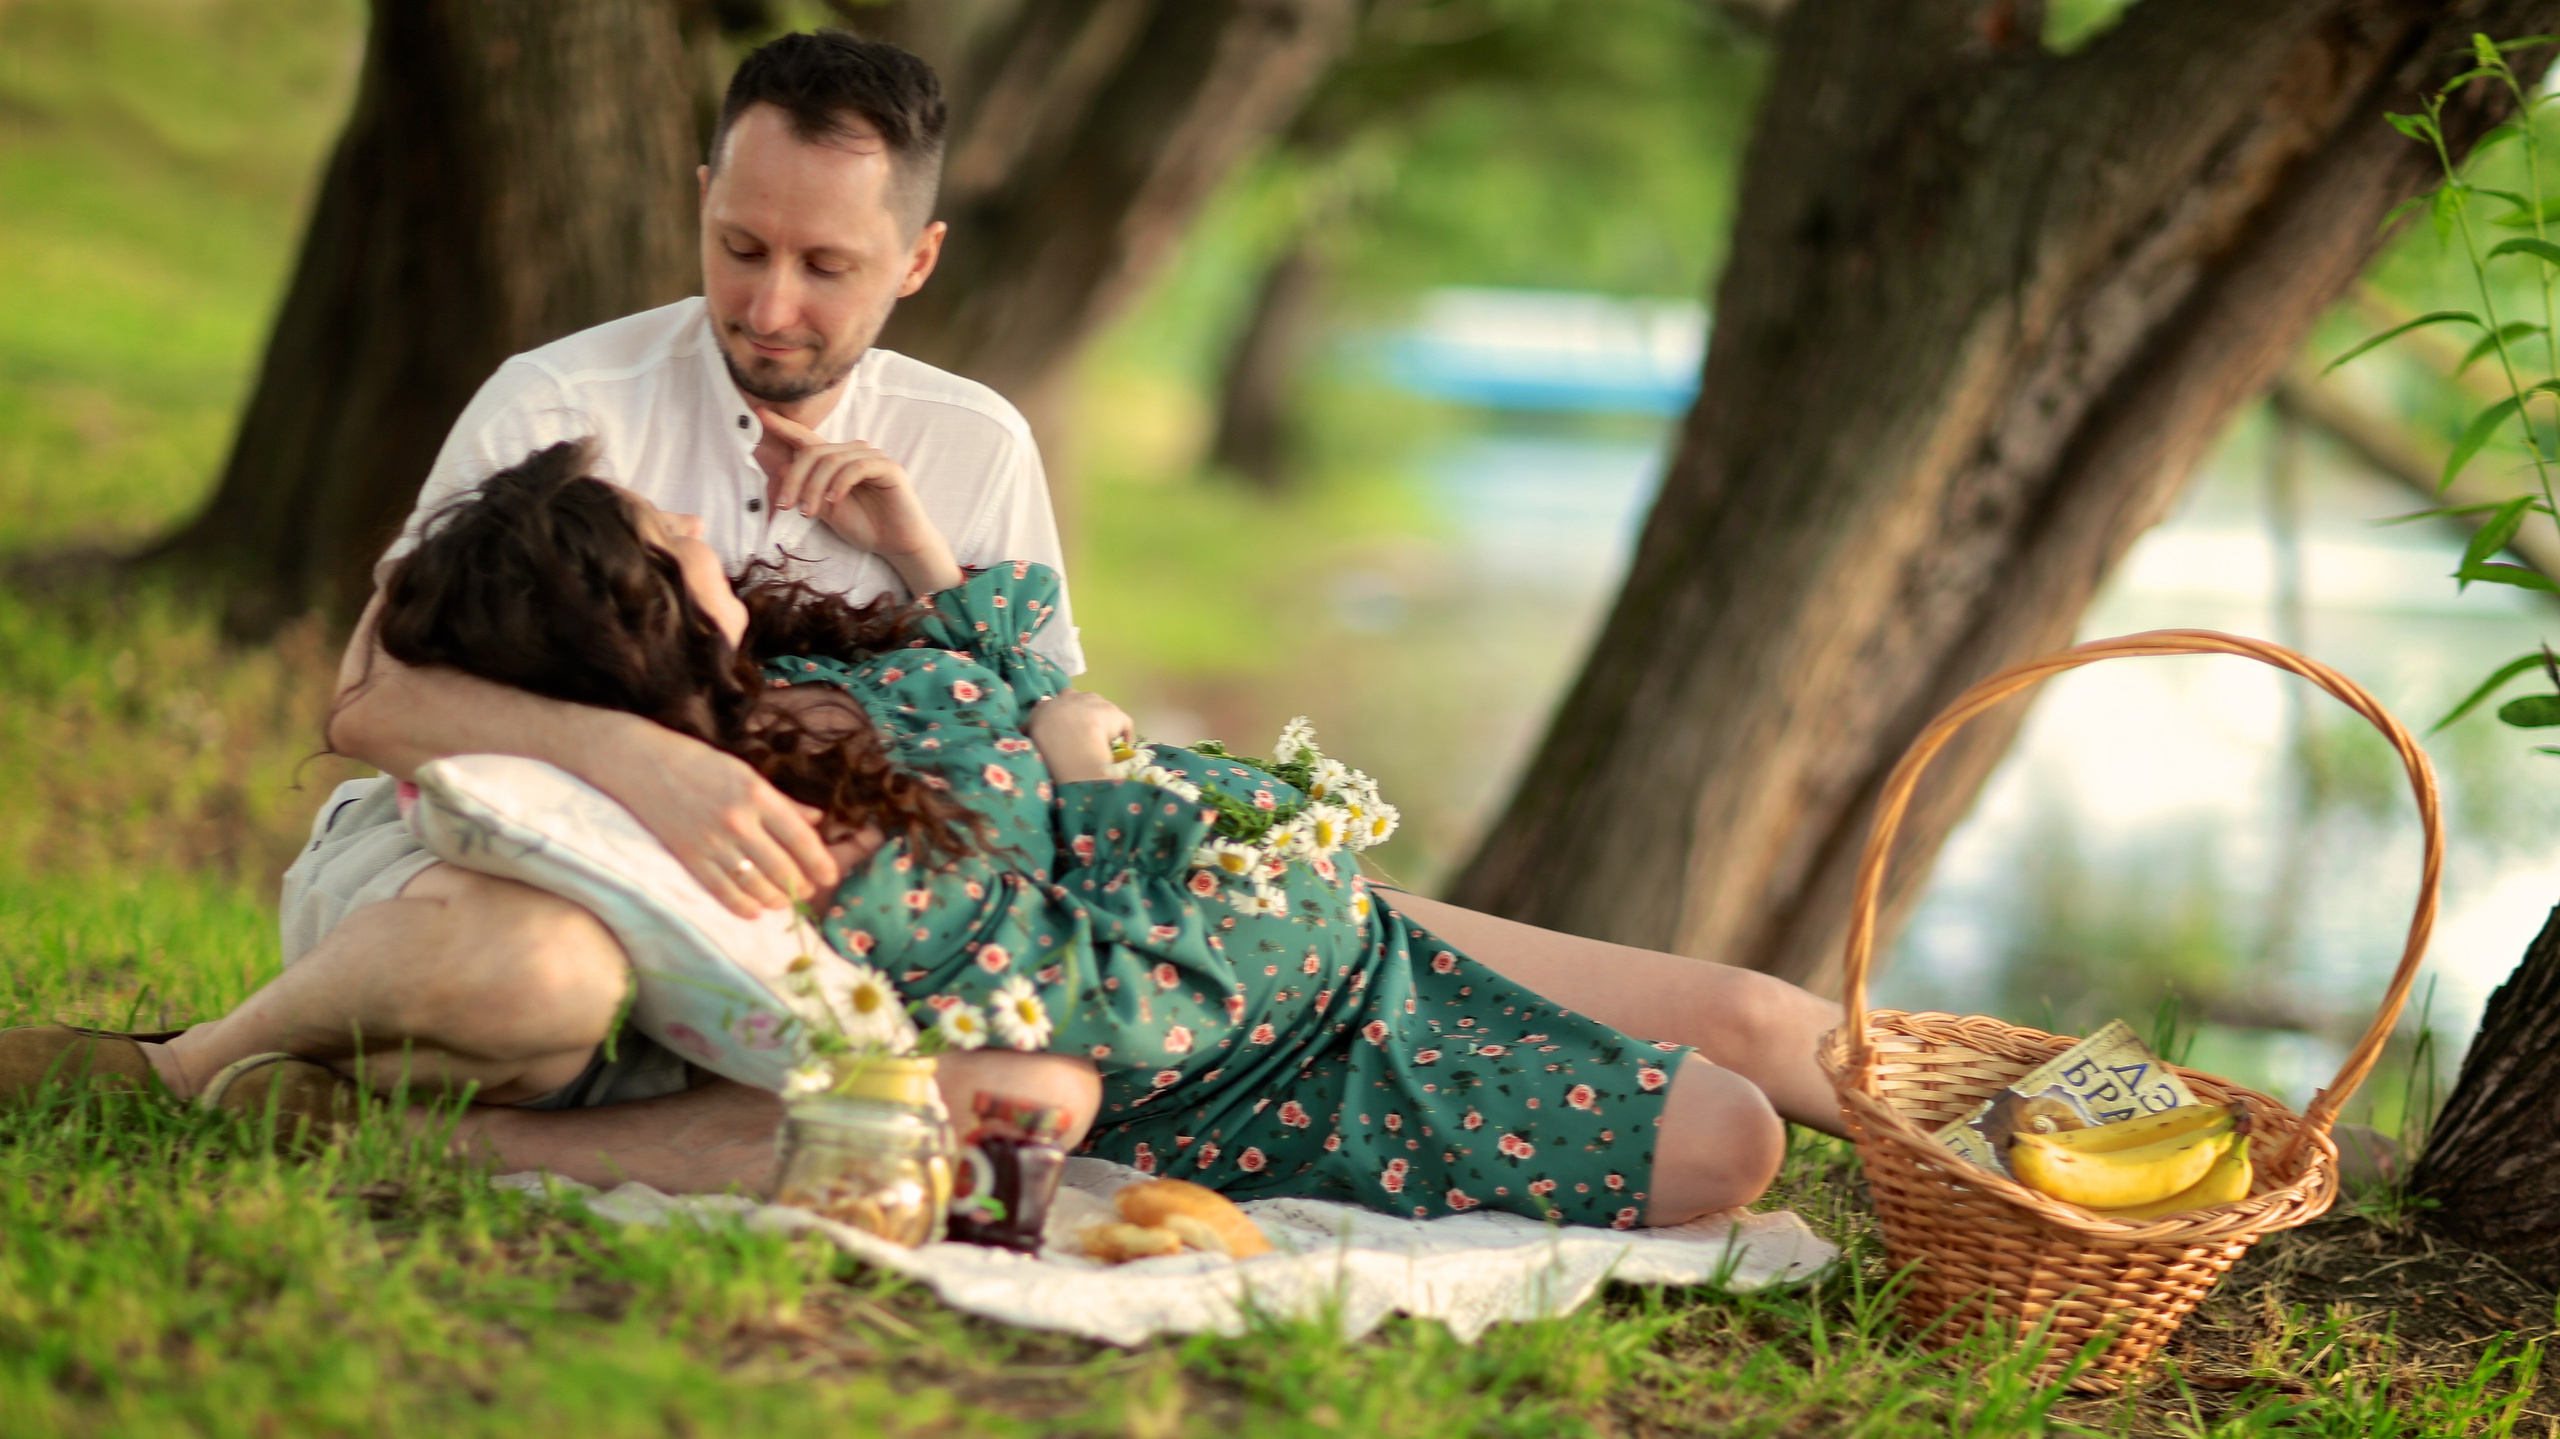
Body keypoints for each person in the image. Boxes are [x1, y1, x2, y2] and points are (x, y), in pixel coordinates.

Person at [48, 440, 1848, 1228]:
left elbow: (1025, 679)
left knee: (1765, 1012)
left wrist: (924, 554)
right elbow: (1087, 1012)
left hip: (1337, 919)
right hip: (1284, 1052)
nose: (700, 521)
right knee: (1735, 1135)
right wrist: (1093, 762)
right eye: (665, 533)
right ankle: (392, 1132)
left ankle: (2022, 1140)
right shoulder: (778, 837)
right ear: (629, 619)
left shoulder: (795, 672)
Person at [0, 31, 1084, 1155]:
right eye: (740, 246)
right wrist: (642, 762)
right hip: (494, 881)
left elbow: (1057, 736)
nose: (769, 305)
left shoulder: (976, 448)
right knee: (546, 973)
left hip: (799, 937)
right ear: (702, 199)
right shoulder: (564, 399)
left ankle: (442, 1144)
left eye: (825, 267)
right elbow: (370, 697)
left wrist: (929, 570)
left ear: (916, 259)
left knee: (1015, 1098)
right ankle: (180, 1066)